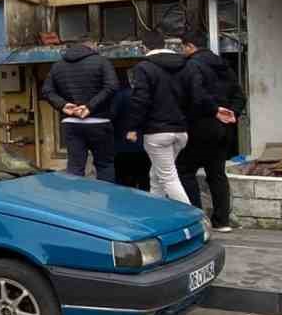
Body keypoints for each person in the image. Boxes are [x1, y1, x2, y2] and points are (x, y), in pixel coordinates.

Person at [178, 30, 247, 231]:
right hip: (224, 129)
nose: (182, 51)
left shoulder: (191, 66)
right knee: (217, 174)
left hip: (199, 126)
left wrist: (215, 111)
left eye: (183, 47)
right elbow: (240, 96)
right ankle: (222, 220)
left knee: (185, 171)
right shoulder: (224, 66)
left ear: (190, 46)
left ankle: (198, 219)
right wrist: (231, 114)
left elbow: (196, 96)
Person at [124, 30, 194, 204]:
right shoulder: (185, 65)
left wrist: (133, 127)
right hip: (181, 131)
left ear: (144, 47)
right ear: (164, 44)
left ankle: (193, 215)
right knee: (156, 176)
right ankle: (155, 211)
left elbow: (141, 100)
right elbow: (194, 96)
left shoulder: (144, 67)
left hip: (157, 133)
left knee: (168, 178)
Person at [42, 41, 118, 181]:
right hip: (99, 121)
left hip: (71, 122)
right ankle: (108, 195)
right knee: (104, 165)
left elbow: (47, 91)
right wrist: (90, 107)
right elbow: (112, 86)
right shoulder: (102, 61)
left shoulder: (57, 65)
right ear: (92, 47)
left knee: (75, 167)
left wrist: (64, 105)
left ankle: (75, 195)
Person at [108, 84, 151, 191]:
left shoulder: (121, 95)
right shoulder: (151, 95)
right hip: (146, 144)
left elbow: (112, 115)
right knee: (145, 181)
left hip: (123, 145)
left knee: (123, 183)